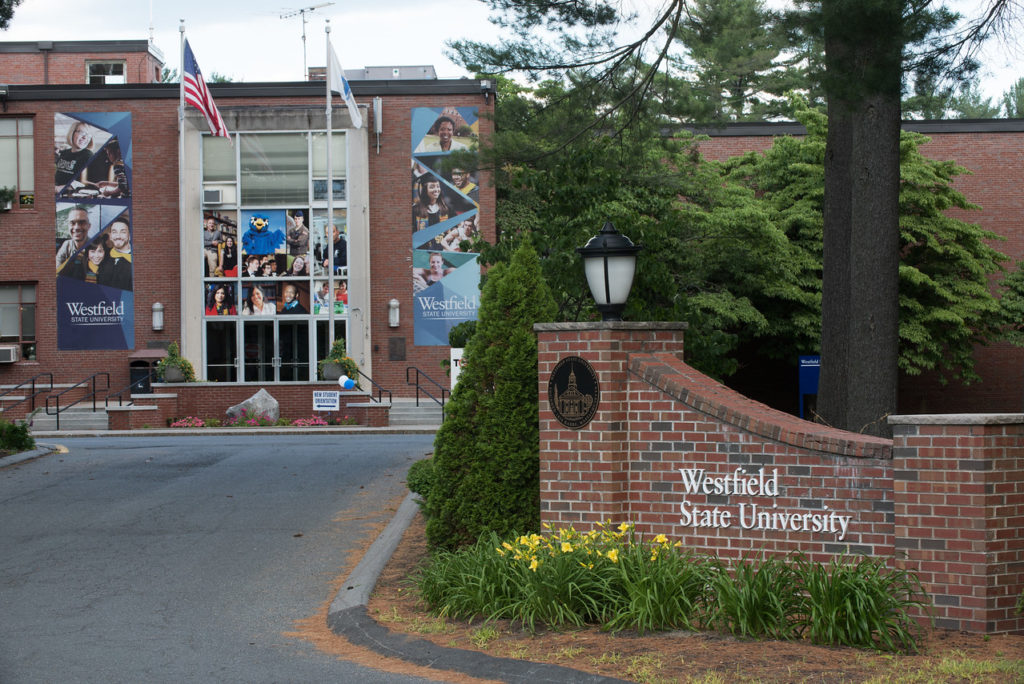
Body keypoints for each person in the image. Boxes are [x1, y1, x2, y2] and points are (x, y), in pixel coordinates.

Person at [54, 121, 95, 195]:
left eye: (89, 135)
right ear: (72, 133)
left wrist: (58, 189)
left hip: (70, 196)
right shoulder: (64, 153)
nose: (85, 137)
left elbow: (82, 181)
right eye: (82, 133)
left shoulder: (88, 156)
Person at [97, 219, 132, 290]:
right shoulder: (102, 256)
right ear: (110, 235)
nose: (118, 236)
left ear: (130, 235)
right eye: (114, 232)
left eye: (123, 232)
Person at [56, 206, 92, 270]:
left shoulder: (95, 246)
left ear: (89, 226)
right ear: (68, 226)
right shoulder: (66, 245)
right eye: (72, 223)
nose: (77, 227)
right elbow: (57, 269)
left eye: (82, 223)